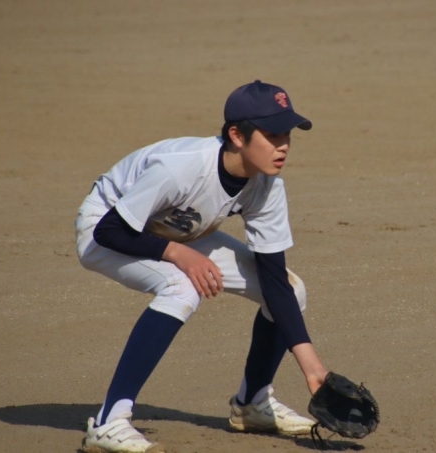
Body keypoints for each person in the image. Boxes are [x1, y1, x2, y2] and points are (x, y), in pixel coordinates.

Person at [75, 80, 329, 453]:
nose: (283, 145)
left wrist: (313, 369)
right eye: (272, 135)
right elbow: (109, 231)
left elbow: (274, 279)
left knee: (291, 289)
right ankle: (109, 421)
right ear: (236, 135)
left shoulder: (268, 187)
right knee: (181, 287)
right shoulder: (181, 168)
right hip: (107, 227)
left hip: (177, 230)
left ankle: (252, 405)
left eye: (287, 134)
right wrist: (178, 253)